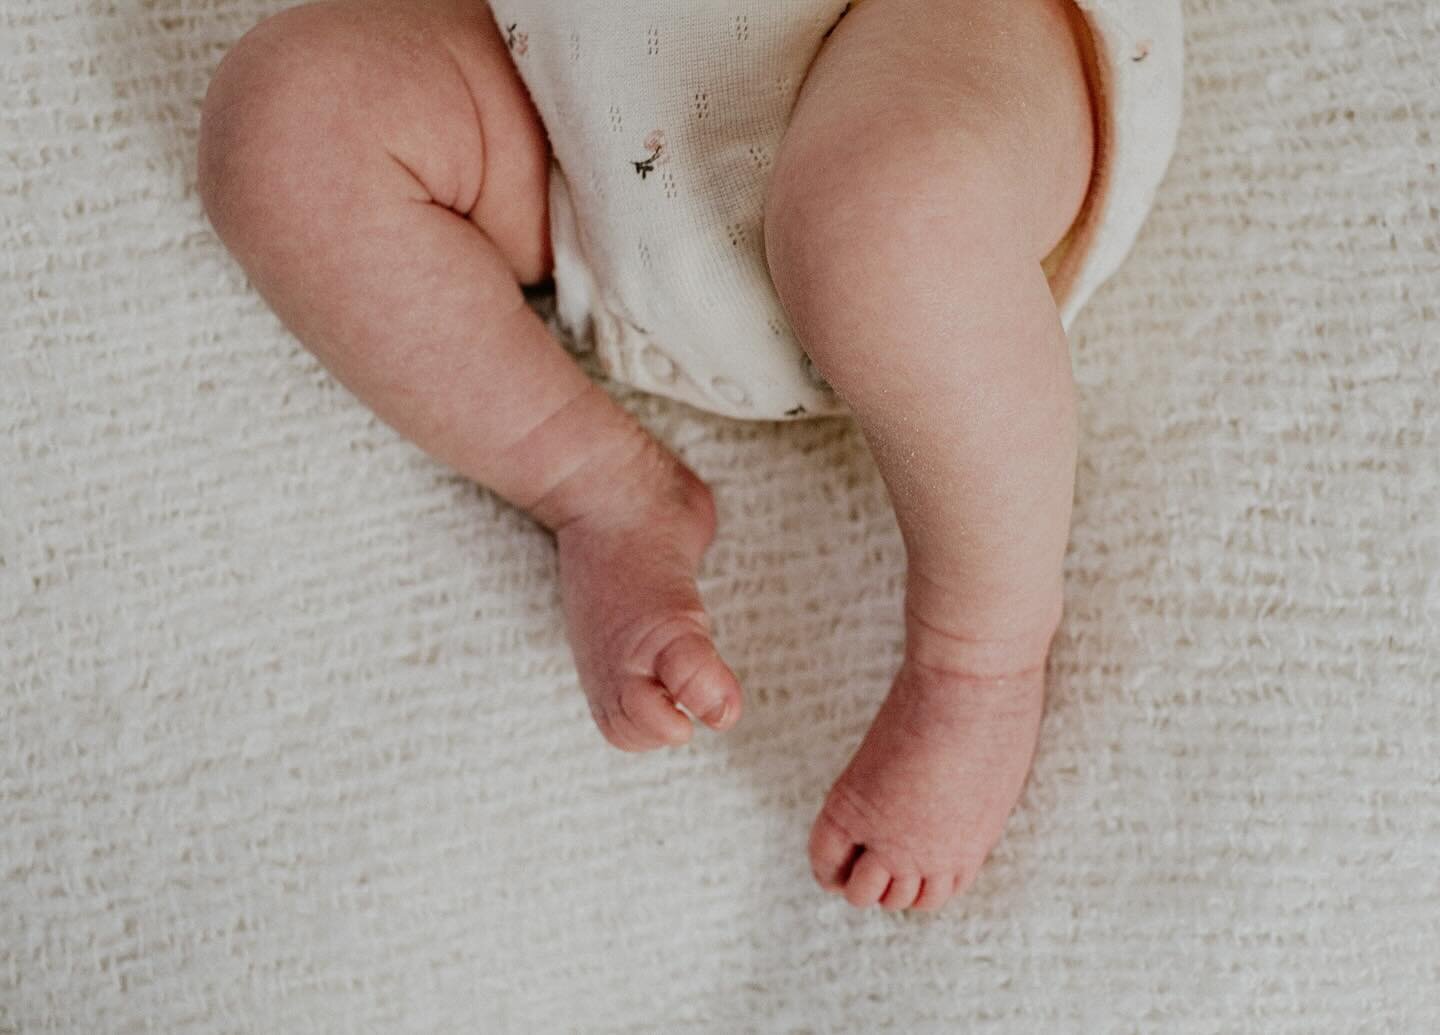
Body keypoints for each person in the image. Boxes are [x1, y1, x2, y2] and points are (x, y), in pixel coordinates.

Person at [197, 0, 1182, 912]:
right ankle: (594, 485)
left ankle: (982, 655)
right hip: (590, 106)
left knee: (897, 211)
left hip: (928, 43)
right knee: (287, 124)